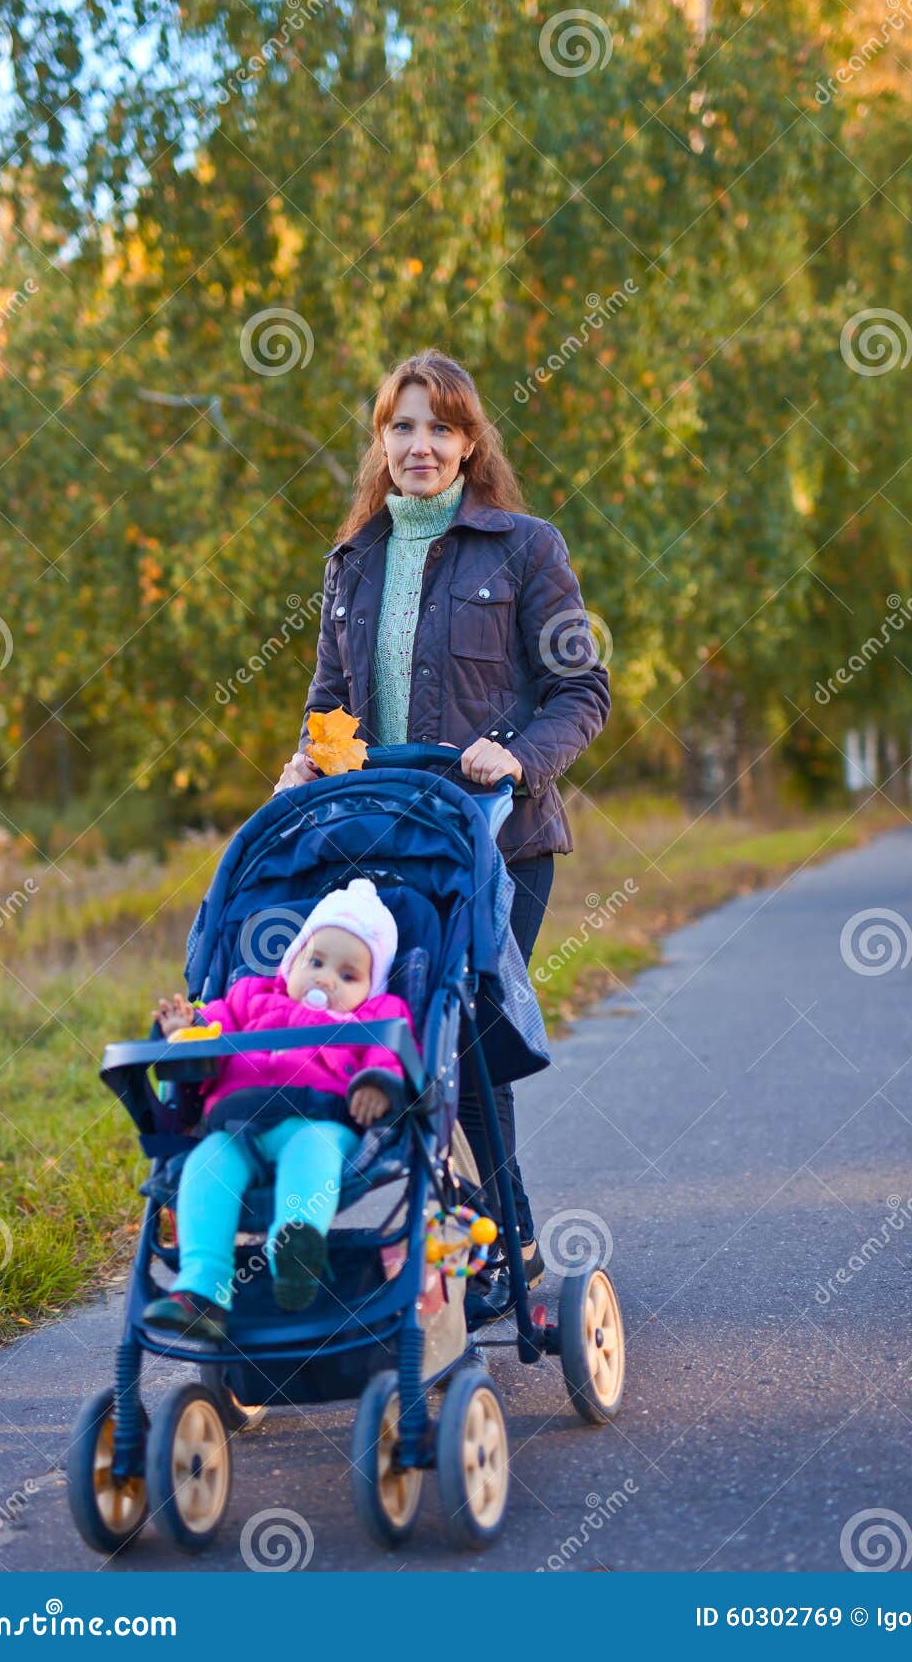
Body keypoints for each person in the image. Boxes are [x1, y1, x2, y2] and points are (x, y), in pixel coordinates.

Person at [274, 349, 610, 1314]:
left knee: (463, 1044)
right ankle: (431, 1241)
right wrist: (304, 761)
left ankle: (509, 1248)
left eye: (439, 428)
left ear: (469, 444)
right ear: (381, 441)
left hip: (498, 844)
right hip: (380, 852)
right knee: (384, 1043)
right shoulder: (351, 560)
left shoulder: (525, 548)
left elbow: (581, 690)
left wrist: (517, 756)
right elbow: (328, 706)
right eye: (401, 426)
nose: (419, 445)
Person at [143, 878, 416, 1337]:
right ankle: (201, 1290)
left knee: (311, 1152)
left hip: (320, 1120)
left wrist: (379, 1084)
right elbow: (209, 1037)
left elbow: (389, 1053)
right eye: (315, 962)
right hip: (235, 1127)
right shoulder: (247, 998)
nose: (326, 979)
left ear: (371, 986)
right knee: (204, 1165)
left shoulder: (375, 1013)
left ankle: (295, 1246)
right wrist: (184, 1031)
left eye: (348, 976)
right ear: (291, 962)